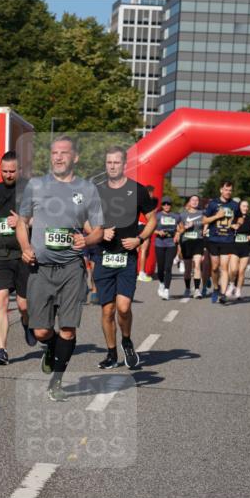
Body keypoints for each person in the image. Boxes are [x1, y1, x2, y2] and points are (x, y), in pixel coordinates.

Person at [15, 135, 104, 401]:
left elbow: (98, 230)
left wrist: (87, 239)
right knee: (41, 331)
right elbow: (22, 222)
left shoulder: (87, 189)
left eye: (64, 152)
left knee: (68, 328)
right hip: (40, 267)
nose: (58, 157)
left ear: (75, 157)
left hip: (71, 268)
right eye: (54, 152)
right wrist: (25, 247)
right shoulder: (36, 185)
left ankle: (57, 380)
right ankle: (50, 348)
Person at [94, 145, 158, 369]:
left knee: (123, 307)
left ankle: (127, 341)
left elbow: (152, 219)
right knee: (107, 310)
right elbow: (86, 220)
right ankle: (111, 353)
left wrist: (139, 239)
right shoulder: (97, 191)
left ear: (124, 164)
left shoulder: (137, 190)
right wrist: (100, 232)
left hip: (126, 257)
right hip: (103, 256)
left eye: (116, 162)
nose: (112, 166)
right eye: (109, 162)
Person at [0, 152, 33, 365]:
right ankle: (1, 350)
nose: (8, 175)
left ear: (19, 170)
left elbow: (42, 218)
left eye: (12, 171)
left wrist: (22, 221)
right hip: (0, 254)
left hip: (23, 255)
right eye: (5, 171)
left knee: (23, 305)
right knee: (1, 299)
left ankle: (27, 322)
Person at [202, 181, 242, 303]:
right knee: (215, 268)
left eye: (230, 190)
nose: (228, 192)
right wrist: (216, 216)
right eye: (226, 190)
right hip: (214, 239)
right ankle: (216, 288)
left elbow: (240, 217)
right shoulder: (213, 204)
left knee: (224, 267)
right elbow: (204, 220)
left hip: (227, 239)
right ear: (221, 190)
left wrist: (237, 224)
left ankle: (223, 294)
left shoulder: (234, 205)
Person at [153, 198, 180, 300]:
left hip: (171, 244)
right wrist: (158, 232)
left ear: (171, 205)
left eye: (168, 204)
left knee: (168, 267)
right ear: (162, 205)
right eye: (164, 204)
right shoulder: (157, 216)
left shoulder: (176, 216)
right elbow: (151, 228)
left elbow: (181, 228)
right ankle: (161, 283)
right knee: (160, 267)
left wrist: (177, 234)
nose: (166, 206)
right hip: (160, 243)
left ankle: (166, 290)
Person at [178, 195, 204, 298]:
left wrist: (205, 230)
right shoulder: (182, 215)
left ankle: (197, 290)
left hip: (198, 241)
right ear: (189, 202)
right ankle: (187, 288)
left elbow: (207, 223)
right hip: (186, 242)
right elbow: (179, 230)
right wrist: (185, 227)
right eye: (193, 200)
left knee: (197, 265)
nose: (195, 201)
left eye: (197, 200)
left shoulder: (202, 213)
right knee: (188, 268)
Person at [232, 199, 250, 300]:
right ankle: (232, 284)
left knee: (241, 271)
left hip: (245, 246)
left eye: (247, 206)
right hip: (234, 246)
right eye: (243, 206)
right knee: (234, 270)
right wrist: (235, 225)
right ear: (239, 207)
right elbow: (230, 228)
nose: (246, 208)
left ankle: (238, 290)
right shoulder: (234, 217)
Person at [136, 184, 156, 282]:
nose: (153, 195)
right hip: (143, 226)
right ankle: (141, 273)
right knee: (143, 250)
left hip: (140, 226)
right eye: (151, 193)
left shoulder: (140, 199)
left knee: (139, 250)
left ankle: (135, 271)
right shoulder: (148, 201)